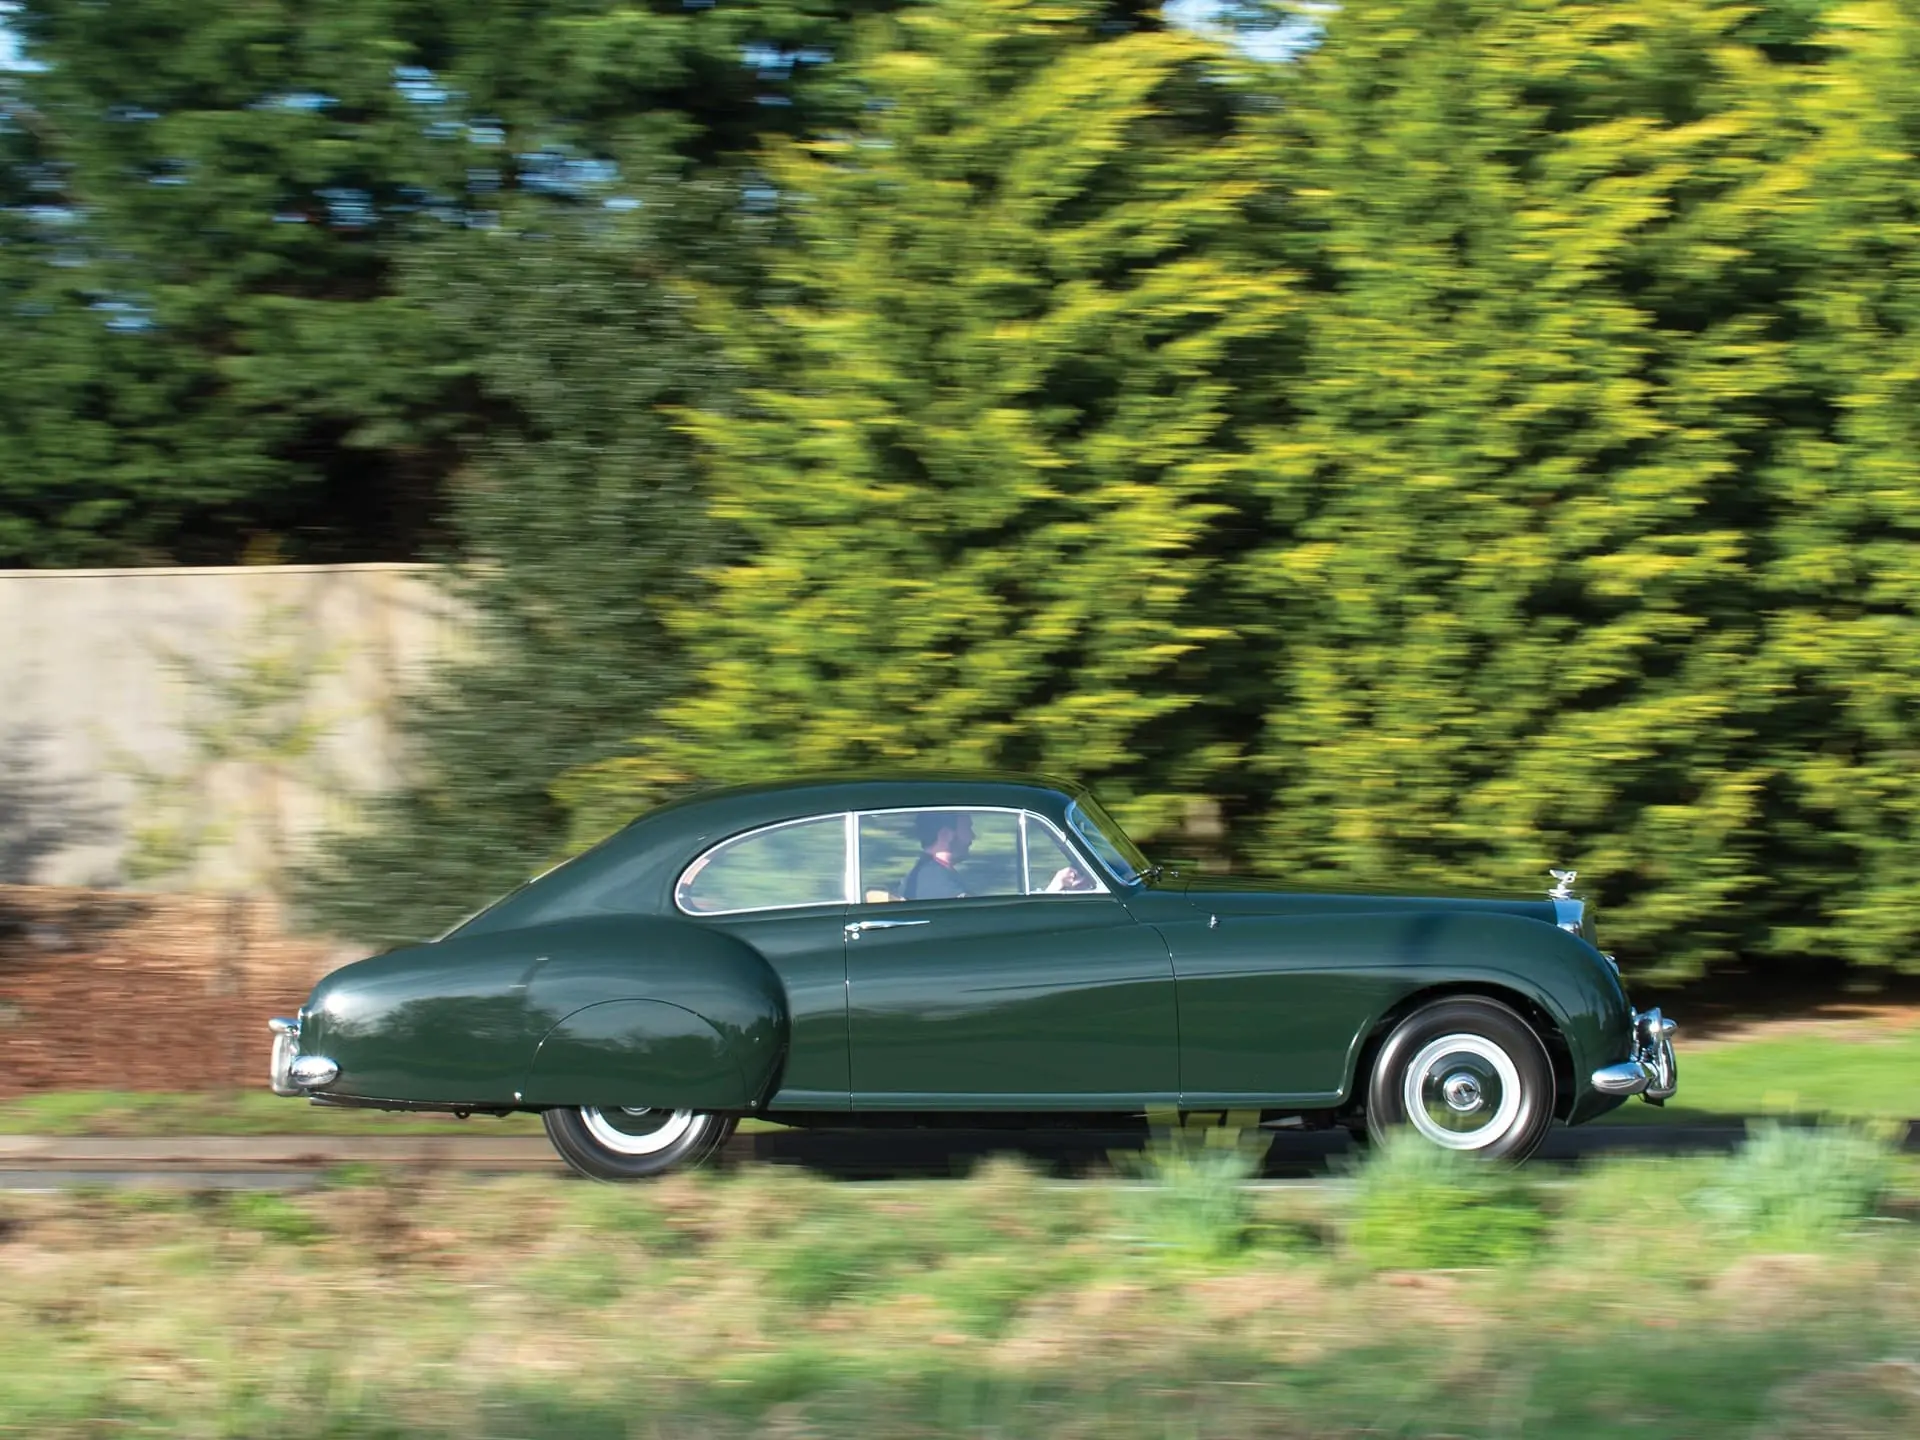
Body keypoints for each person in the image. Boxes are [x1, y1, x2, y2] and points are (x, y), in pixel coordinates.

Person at [901, 811, 972, 900]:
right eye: (968, 828)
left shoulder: (926, 874)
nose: (972, 836)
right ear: (945, 834)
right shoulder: (935, 880)